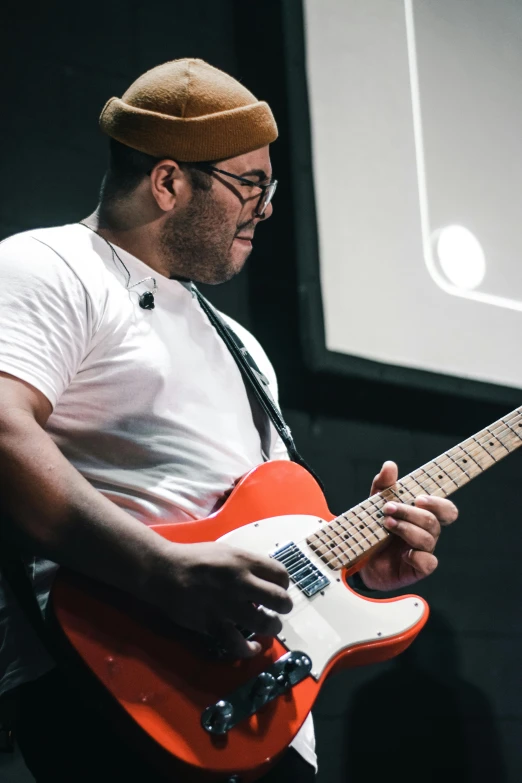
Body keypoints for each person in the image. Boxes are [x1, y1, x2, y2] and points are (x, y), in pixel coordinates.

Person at [0, 58, 458, 782]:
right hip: (123, 691)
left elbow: (254, 527)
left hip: (262, 715)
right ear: (170, 181)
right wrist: (162, 570)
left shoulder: (241, 345)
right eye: (251, 183)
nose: (266, 206)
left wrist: (358, 559)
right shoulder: (49, 266)